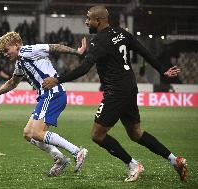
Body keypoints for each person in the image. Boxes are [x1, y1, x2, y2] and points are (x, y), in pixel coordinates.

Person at [42, 5, 187, 182]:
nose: (86, 21)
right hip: (130, 87)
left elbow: (83, 69)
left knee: (97, 135)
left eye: (89, 18)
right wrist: (162, 70)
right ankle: (175, 161)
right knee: (135, 133)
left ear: (99, 20)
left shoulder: (98, 41)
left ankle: (133, 164)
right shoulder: (122, 33)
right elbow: (143, 51)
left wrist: (57, 80)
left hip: (116, 91)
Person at [0, 32, 88, 177]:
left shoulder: (29, 50)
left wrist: (76, 52)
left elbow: (54, 47)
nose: (5, 54)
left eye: (7, 50)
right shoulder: (20, 62)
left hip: (52, 93)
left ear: (17, 45)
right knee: (29, 134)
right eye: (3, 52)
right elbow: (12, 83)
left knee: (37, 132)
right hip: (46, 96)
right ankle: (60, 159)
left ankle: (77, 151)